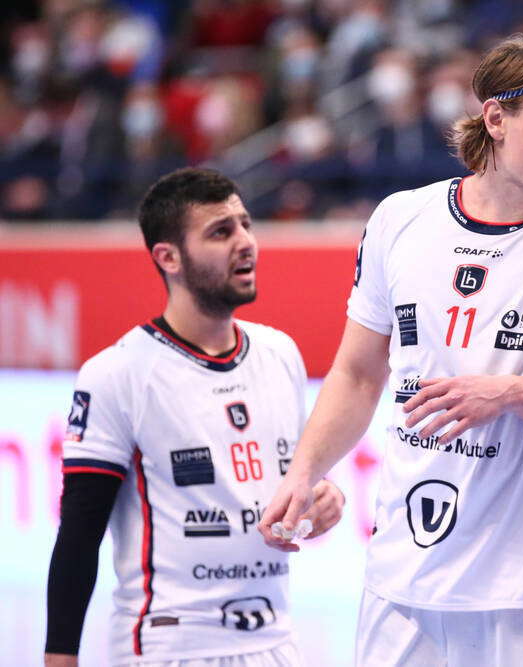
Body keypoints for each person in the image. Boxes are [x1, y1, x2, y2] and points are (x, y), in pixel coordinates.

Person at [259, 34, 523, 666]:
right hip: (401, 578)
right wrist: (306, 470)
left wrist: (513, 393)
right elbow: (359, 372)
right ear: (496, 118)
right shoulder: (402, 218)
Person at [44, 168, 346, 667]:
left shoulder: (279, 354)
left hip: (274, 644)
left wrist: (321, 502)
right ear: (168, 257)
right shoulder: (118, 373)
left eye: (245, 224)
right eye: (221, 232)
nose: (246, 243)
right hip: (167, 649)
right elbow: (79, 534)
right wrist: (59, 657)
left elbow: (295, 482)